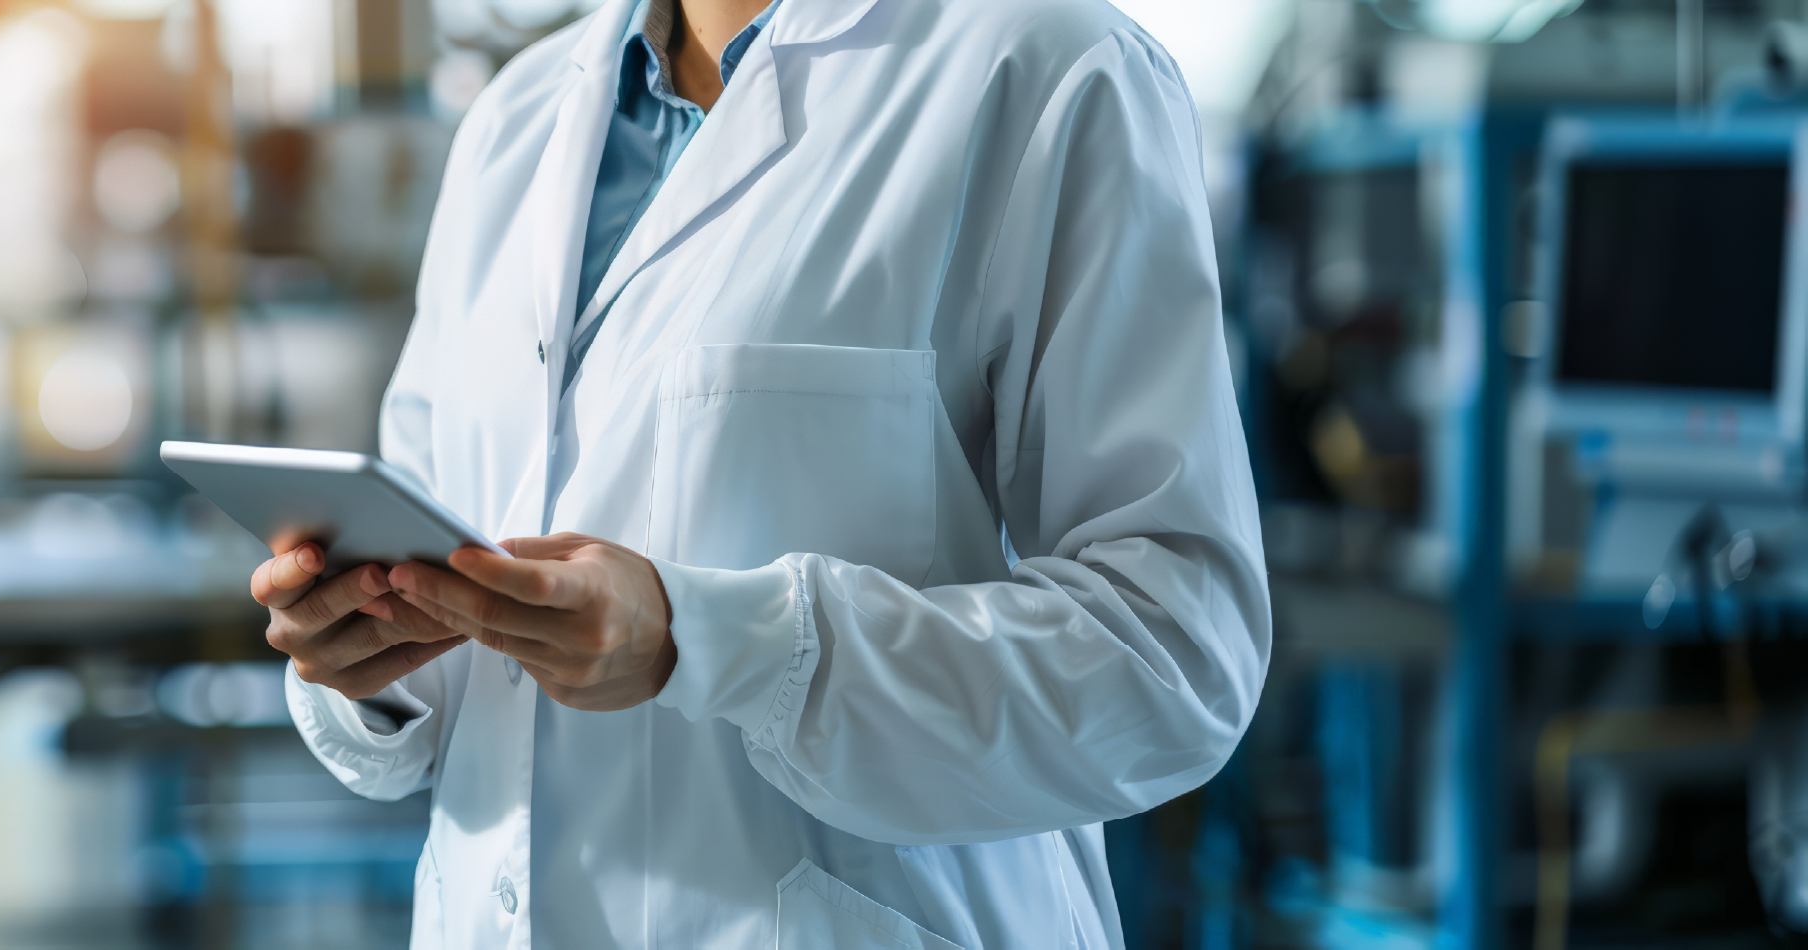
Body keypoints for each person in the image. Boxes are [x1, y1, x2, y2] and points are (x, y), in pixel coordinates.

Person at [251, 0, 1271, 945]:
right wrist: (368, 643)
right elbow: (447, 544)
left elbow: (1172, 655)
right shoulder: (515, 119)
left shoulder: (1048, 64)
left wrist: (719, 643)